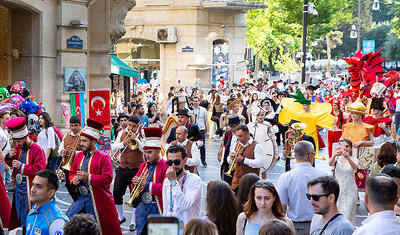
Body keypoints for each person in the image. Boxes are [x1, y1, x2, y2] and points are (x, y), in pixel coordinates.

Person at [67, 118, 122, 235]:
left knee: (97, 229)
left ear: (93, 142)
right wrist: (73, 179)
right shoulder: (78, 156)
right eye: (80, 140)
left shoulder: (104, 157)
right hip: (80, 199)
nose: (81, 144)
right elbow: (72, 172)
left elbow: (108, 178)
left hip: (98, 200)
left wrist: (88, 177)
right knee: (68, 223)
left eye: (84, 141)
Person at [277, 141, 328, 235]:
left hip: (296, 226)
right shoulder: (323, 176)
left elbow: (282, 208)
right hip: (319, 225)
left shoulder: (285, 177)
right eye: (313, 154)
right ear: (310, 155)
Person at [5, 117, 46, 232]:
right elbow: (11, 164)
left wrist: (22, 167)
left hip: (32, 191)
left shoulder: (37, 150)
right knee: (21, 218)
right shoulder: (18, 147)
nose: (17, 144)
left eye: (18, 141)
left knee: (32, 219)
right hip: (19, 190)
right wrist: (10, 156)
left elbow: (40, 169)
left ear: (24, 137)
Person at [132, 127, 168, 235]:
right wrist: (134, 183)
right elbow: (135, 186)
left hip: (157, 207)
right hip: (142, 207)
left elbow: (166, 189)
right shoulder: (143, 166)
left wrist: (147, 185)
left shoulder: (166, 166)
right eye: (145, 152)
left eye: (150, 152)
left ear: (158, 151)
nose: (146, 155)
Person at [111, 115, 144, 231]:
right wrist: (123, 144)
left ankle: (133, 221)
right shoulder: (121, 133)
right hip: (122, 168)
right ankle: (121, 216)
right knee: (116, 193)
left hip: (136, 169)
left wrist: (137, 140)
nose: (130, 128)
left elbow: (145, 149)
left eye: (133, 126)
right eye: (129, 125)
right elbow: (113, 147)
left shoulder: (142, 133)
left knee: (134, 196)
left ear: (138, 125)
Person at [162, 144, 202, 231]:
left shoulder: (194, 180)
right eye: (169, 162)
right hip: (171, 229)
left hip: (189, 230)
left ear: (185, 161)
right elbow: (166, 207)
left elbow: (185, 205)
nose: (173, 166)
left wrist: (173, 182)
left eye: (176, 162)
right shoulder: (166, 181)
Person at [26, 169, 69, 235]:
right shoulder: (32, 211)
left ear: (51, 193)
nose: (32, 189)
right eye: (33, 184)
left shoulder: (57, 222)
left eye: (39, 186)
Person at [328, 139, 359, 224]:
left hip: (350, 191)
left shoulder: (354, 159)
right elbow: (330, 163)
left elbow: (355, 167)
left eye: (347, 146)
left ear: (351, 149)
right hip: (338, 191)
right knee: (337, 216)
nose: (345, 148)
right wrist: (334, 155)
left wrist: (348, 158)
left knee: (348, 216)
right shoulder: (336, 159)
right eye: (343, 146)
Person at [228, 124, 265, 192]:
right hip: (236, 182)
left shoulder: (257, 146)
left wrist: (243, 160)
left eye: (240, 136)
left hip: (250, 184)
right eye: (237, 136)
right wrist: (231, 158)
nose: (238, 139)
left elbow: (260, 163)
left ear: (247, 134)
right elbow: (229, 160)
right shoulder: (237, 144)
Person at [58, 116, 83, 201]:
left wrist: (75, 152)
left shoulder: (84, 136)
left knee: (78, 190)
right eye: (71, 126)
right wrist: (62, 152)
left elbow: (88, 152)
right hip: (67, 166)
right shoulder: (66, 136)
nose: (73, 128)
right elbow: (60, 148)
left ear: (80, 125)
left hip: (79, 168)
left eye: (75, 125)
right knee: (70, 188)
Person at [220, 115, 241, 185]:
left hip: (238, 165)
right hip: (227, 163)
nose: (231, 128)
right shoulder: (228, 133)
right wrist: (222, 162)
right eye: (230, 126)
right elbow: (225, 148)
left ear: (238, 125)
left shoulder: (243, 134)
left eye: (233, 126)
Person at [189, 96, 209, 166]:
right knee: (193, 145)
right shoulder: (190, 110)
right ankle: (194, 159)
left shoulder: (203, 110)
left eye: (196, 101)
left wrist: (208, 131)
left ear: (199, 101)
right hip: (193, 130)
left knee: (202, 145)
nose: (195, 102)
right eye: (194, 101)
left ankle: (203, 160)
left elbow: (206, 121)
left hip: (201, 129)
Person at [0, 111, 11, 187]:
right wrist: (4, 163)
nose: (9, 119)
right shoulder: (0, 132)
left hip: (6, 158)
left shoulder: (6, 130)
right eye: (7, 118)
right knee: (3, 182)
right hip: (2, 160)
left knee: (8, 180)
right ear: (1, 120)